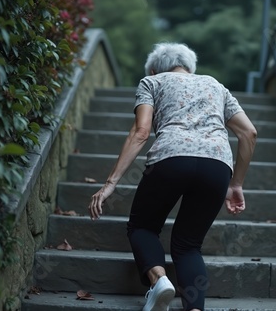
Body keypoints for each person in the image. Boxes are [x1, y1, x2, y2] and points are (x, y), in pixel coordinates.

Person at [89, 43, 257, 311]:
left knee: (142, 227)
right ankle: (194, 308)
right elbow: (249, 133)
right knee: (189, 244)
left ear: (155, 70)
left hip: (170, 160)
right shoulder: (215, 85)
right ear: (190, 68)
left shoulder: (152, 82)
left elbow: (141, 132)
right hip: (217, 165)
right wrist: (235, 183)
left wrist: (110, 184)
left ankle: (159, 281)